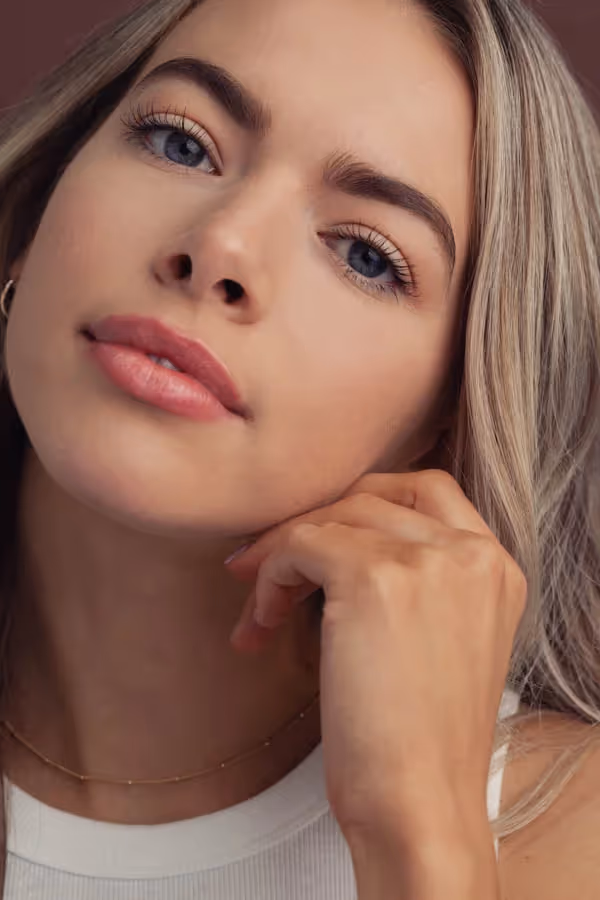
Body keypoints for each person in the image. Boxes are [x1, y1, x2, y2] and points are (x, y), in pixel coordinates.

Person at [0, 0, 599, 895]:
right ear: (33, 216)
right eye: (181, 144)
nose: (220, 246)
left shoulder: (575, 831)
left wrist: (423, 841)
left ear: (449, 411)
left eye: (365, 255)